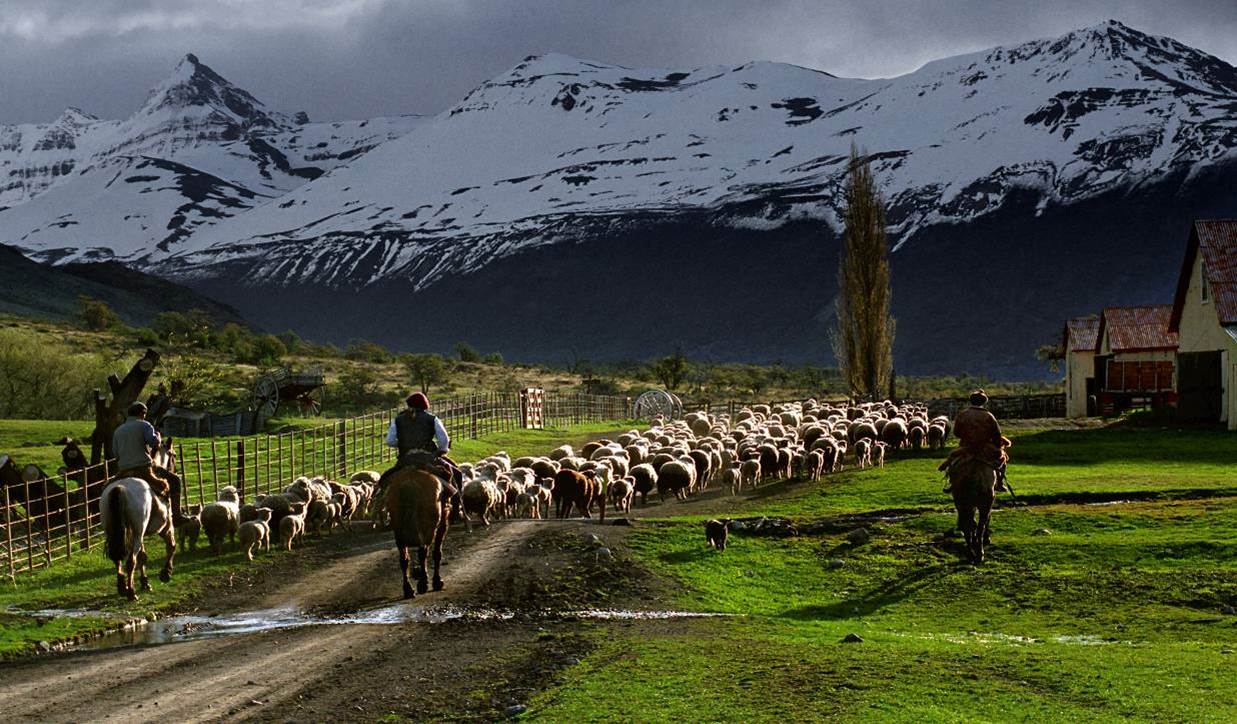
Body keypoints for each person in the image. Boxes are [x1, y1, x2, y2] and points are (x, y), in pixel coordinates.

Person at [381, 392, 463, 517]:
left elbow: (390, 441)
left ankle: (383, 508)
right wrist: (442, 450)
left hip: (406, 459)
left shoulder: (397, 419)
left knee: (384, 480)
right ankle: (455, 511)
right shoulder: (432, 419)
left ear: (409, 405)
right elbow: (444, 441)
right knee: (457, 474)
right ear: (425, 405)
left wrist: (403, 444)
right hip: (428, 459)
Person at [113, 402, 188, 523]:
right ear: (142, 413)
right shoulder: (144, 425)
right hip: (143, 467)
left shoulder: (118, 430)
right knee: (175, 480)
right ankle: (177, 516)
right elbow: (154, 444)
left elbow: (115, 454)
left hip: (124, 470)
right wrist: (158, 437)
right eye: (144, 414)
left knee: (107, 487)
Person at [938, 389, 1010, 491]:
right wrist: (997, 445)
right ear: (984, 402)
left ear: (971, 401)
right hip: (985, 448)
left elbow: (956, 432)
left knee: (953, 460)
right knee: (1002, 458)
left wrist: (967, 436)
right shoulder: (989, 416)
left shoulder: (962, 414)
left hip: (966, 447)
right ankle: (999, 482)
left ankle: (952, 483)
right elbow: (997, 434)